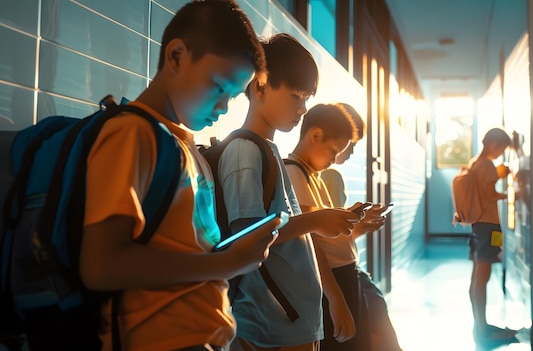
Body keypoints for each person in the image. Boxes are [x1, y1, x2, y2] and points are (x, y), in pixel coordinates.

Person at [79, 2, 282, 350]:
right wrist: (227, 263)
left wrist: (226, 256)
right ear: (176, 56)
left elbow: (184, 248)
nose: (223, 108)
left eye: (232, 97)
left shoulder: (184, 146)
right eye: (219, 86)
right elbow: (100, 265)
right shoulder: (132, 134)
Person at [216, 33, 360, 351]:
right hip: (269, 326)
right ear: (259, 87)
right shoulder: (244, 151)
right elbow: (249, 238)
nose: (303, 109)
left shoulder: (267, 151)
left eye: (307, 98)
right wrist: (317, 220)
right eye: (297, 96)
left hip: (291, 323)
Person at [318, 103, 403, 351]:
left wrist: (359, 227)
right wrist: (359, 227)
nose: (351, 152)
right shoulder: (327, 177)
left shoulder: (317, 176)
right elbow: (327, 241)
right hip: (337, 273)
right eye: (350, 144)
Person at [465, 127, 517, 344]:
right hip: (488, 225)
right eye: (502, 148)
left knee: (478, 275)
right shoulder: (486, 165)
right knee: (482, 277)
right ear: (494, 145)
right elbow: (488, 194)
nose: (501, 153)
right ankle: (482, 328)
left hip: (480, 226)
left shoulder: (475, 163)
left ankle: (481, 325)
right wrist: (510, 194)